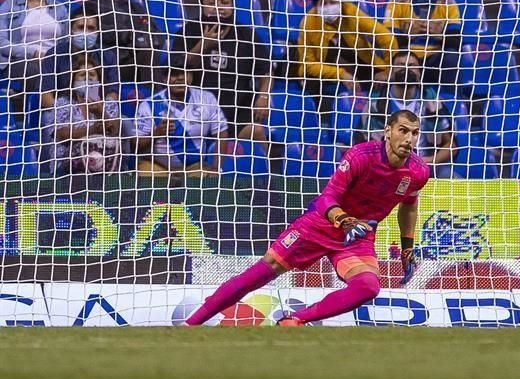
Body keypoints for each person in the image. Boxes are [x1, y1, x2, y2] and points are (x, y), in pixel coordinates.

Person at [184, 109, 429, 326]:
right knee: (263, 270)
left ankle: (296, 320)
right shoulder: (361, 155)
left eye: (415, 133)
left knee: (368, 287)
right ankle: (190, 325)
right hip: (321, 225)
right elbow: (327, 197)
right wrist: (343, 220)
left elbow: (409, 205)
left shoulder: (418, 171)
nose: (409, 139)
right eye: (403, 131)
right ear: (388, 131)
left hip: (357, 238)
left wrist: (407, 247)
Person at [172, 0, 272, 144]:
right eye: (212, 3)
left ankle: (263, 169)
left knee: (257, 131)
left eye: (224, 2)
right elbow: (176, 70)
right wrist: (203, 46)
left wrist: (263, 96)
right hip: (197, 110)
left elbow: (266, 71)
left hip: (237, 107)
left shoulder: (246, 35)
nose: (218, 7)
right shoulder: (187, 32)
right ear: (201, 6)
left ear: (232, 6)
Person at [360, 52, 456, 178]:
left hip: (426, 165)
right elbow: (368, 147)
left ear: (420, 72)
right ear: (391, 71)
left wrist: (432, 160)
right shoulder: (375, 104)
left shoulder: (431, 100)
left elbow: (451, 145)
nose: (406, 69)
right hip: (387, 167)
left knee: (450, 176)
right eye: (400, 65)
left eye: (412, 65)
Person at [135, 56, 230, 176]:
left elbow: (221, 133)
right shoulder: (149, 105)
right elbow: (136, 146)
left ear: (191, 77)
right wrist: (157, 133)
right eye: (174, 74)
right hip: (157, 166)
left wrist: (216, 167)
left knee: (208, 179)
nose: (180, 78)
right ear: (164, 79)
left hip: (195, 167)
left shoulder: (206, 99)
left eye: (184, 73)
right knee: (145, 174)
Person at [297, 0, 397, 98]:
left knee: (387, 82)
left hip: (359, 65)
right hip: (322, 72)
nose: (328, 7)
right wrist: (341, 74)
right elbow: (309, 64)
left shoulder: (350, 11)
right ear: (316, 6)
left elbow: (386, 37)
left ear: (341, 3)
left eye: (332, 2)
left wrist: (388, 70)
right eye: (323, 3)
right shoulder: (308, 22)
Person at [0, 0, 69, 110]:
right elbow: (2, 44)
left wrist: (53, 58)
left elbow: (67, 42)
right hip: (19, 61)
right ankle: (56, 111)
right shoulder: (9, 6)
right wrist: (33, 53)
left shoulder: (59, 8)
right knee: (37, 72)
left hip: (54, 61)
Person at [42, 53, 122, 176]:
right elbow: (63, 134)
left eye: (92, 75)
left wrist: (100, 113)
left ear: (99, 80)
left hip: (105, 166)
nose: (87, 78)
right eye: (82, 75)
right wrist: (93, 129)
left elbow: (115, 130)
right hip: (67, 167)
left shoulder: (109, 104)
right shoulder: (62, 103)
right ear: (73, 81)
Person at [39, 2, 122, 111]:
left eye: (91, 28)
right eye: (81, 27)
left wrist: (103, 112)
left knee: (125, 123)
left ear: (98, 31)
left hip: (98, 112)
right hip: (61, 115)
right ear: (71, 30)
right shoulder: (54, 55)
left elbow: (113, 93)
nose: (86, 32)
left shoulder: (108, 56)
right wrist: (69, 113)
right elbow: (45, 96)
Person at [93, 0, 161, 85]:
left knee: (149, 53)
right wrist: (128, 34)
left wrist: (138, 37)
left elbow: (156, 34)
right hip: (106, 63)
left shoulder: (135, 8)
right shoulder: (90, 7)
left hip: (134, 60)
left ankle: (155, 99)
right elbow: (97, 32)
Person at [384, 0, 462, 85]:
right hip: (407, 54)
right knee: (398, 57)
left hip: (436, 56)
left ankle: (450, 97)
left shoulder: (448, 3)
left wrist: (439, 36)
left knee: (452, 56)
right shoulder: (396, 1)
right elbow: (388, 40)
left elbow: (456, 42)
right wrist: (409, 36)